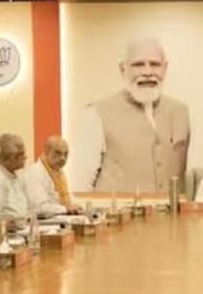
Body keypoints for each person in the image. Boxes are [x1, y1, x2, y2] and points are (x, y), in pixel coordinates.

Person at [75, 37, 190, 193]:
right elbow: (80, 185)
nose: (148, 72)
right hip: (116, 215)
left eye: (155, 64)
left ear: (165, 68)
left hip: (170, 216)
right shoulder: (96, 113)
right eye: (138, 65)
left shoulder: (181, 111)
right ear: (123, 69)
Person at [24, 135, 79, 216]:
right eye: (58, 153)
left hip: (61, 219)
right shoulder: (35, 173)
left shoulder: (60, 173)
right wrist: (66, 209)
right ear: (46, 152)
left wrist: (79, 206)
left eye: (65, 154)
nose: (62, 158)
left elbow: (70, 200)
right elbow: (40, 208)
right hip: (44, 224)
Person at [0, 133, 30, 220]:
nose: (25, 157)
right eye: (22, 154)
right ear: (11, 158)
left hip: (22, 227)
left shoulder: (15, 175)